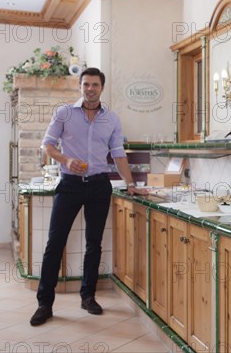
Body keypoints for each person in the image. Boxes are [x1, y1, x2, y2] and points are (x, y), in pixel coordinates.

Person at [30, 67, 147, 326]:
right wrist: (65, 159)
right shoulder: (64, 113)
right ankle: (44, 304)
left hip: (98, 186)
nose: (90, 89)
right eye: (86, 84)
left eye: (95, 84)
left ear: (102, 88)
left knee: (94, 244)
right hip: (69, 185)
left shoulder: (112, 119)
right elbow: (47, 145)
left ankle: (88, 296)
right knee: (54, 244)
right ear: (80, 87)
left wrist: (130, 184)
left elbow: (118, 155)